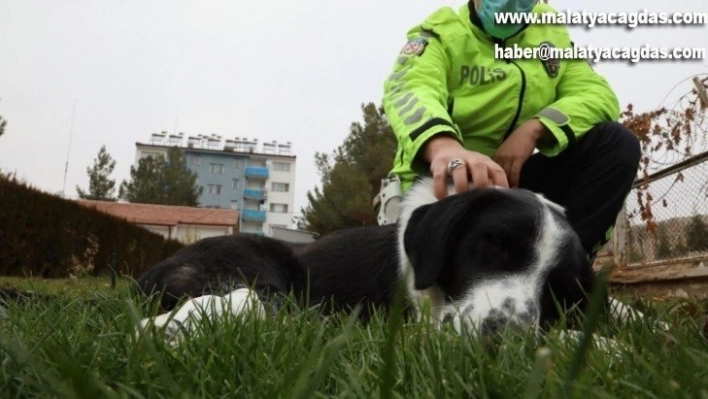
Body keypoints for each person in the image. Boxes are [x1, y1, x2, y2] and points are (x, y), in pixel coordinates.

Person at [381, 0, 641, 262]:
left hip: (511, 184)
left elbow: (598, 95)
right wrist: (444, 147)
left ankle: (566, 274)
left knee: (616, 143)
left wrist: (536, 128)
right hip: (442, 183)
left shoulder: (551, 34)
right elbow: (409, 87)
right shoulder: (441, 34)